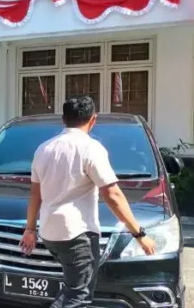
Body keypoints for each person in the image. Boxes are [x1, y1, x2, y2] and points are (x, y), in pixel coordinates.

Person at [19, 96, 156, 308]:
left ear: (64, 119)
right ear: (93, 120)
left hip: (49, 232)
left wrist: (30, 229)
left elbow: (35, 195)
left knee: (72, 291)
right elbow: (113, 195)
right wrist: (139, 233)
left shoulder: (43, 149)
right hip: (77, 234)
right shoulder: (90, 148)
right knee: (78, 297)